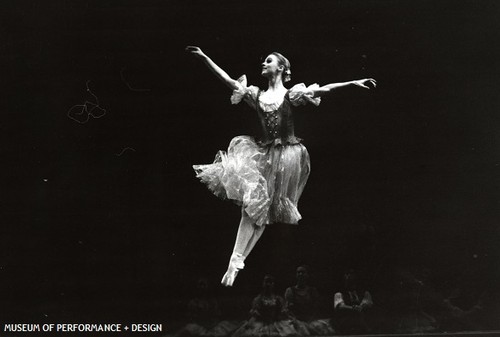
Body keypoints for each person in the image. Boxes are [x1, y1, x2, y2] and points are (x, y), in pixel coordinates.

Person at [186, 46, 376, 286]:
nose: (263, 64)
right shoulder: (256, 95)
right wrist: (205, 58)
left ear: (282, 68)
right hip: (262, 154)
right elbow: (228, 81)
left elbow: (324, 89)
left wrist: (352, 83)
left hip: (287, 158)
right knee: (252, 208)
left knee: (262, 216)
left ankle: (237, 260)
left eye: (269, 61)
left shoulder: (292, 95)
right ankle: (235, 262)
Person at [232, 274, 297, 337]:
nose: (268, 284)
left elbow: (283, 312)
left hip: (275, 323)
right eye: (266, 282)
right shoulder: (258, 299)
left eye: (270, 282)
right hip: (260, 324)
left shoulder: (278, 299)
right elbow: (254, 313)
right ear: (263, 284)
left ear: (273, 284)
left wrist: (289, 318)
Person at [284, 265, 334, 335]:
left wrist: (310, 320)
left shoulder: (312, 291)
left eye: (303, 272)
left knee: (325, 331)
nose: (300, 274)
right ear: (296, 275)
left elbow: (316, 309)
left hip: (310, 320)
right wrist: (296, 321)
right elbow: (288, 310)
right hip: (296, 320)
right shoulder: (290, 291)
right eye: (298, 272)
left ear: (307, 275)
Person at [333, 269, 374, 334]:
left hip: (362, 321)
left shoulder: (365, 293)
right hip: (346, 322)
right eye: (346, 280)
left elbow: (368, 303)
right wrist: (353, 308)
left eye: (351, 280)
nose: (348, 282)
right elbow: (340, 306)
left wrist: (360, 307)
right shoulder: (339, 294)